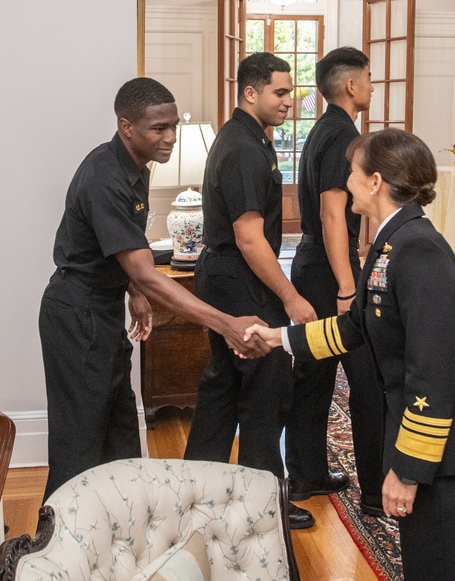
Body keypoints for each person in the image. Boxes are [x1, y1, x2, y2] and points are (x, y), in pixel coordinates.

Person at [245, 129, 455, 580]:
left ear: (375, 182)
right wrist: (278, 339)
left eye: (352, 171)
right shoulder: (393, 242)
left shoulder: (419, 252)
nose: (346, 180)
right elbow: (356, 328)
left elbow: (433, 373)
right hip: (439, 458)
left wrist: (406, 471)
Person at [38, 77, 269, 501]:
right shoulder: (104, 177)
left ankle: (122, 542)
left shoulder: (135, 167)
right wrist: (225, 324)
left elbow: (122, 252)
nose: (170, 138)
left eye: (172, 126)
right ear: (127, 126)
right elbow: (144, 270)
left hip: (103, 308)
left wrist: (133, 292)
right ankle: (52, 555)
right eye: (158, 128)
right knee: (79, 444)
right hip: (76, 313)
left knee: (122, 435)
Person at [182, 52, 318, 529]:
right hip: (239, 277)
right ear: (251, 93)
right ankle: (263, 507)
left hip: (225, 274)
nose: (289, 102)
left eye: (290, 93)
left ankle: (196, 496)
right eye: (281, 93)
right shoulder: (242, 148)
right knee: (266, 388)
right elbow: (249, 237)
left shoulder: (246, 138)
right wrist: (290, 297)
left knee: (223, 385)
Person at [284, 46, 385, 517]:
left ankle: (306, 475)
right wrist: (347, 285)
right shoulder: (342, 133)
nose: (371, 82)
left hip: (315, 262)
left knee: (315, 377)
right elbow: (331, 212)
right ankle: (374, 492)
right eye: (368, 75)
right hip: (329, 269)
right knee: (367, 382)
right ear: (350, 84)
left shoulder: (325, 129)